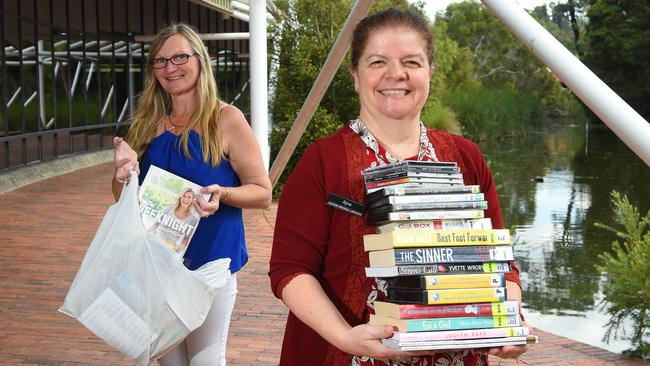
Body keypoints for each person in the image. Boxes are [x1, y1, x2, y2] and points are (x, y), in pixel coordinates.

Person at [269, 8, 528, 366]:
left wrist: (507, 322)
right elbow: (290, 270)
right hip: (347, 355)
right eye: (377, 62)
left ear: (430, 73)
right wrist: (344, 336)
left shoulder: (466, 157)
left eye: (412, 61)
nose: (396, 74)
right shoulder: (322, 161)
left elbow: (501, 265)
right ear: (355, 75)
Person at [111, 23, 272, 366]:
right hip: (157, 265)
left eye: (180, 57)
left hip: (209, 264)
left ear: (200, 61)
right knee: (169, 363)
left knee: (205, 362)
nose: (171, 68)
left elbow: (262, 192)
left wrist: (224, 193)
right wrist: (122, 174)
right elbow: (122, 196)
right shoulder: (147, 122)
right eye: (161, 61)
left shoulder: (226, 119)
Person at [147, 187, 200, 255]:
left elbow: (186, 239)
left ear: (192, 200)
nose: (186, 199)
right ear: (180, 197)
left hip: (169, 247)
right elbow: (156, 224)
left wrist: (176, 252)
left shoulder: (193, 220)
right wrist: (145, 234)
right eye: (184, 196)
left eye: (189, 197)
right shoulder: (168, 209)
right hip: (155, 239)